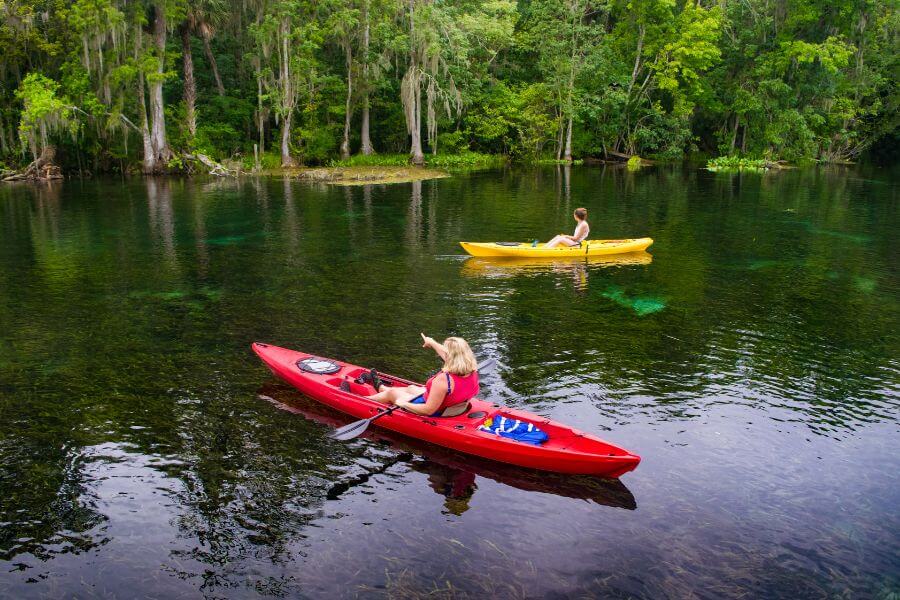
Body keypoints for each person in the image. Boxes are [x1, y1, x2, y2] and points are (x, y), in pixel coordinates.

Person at [367, 334, 480, 416]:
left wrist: (403, 403)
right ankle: (382, 388)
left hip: (435, 410)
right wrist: (431, 342)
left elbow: (428, 410)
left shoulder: (443, 381)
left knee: (392, 393)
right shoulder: (472, 369)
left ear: (451, 356)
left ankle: (363, 399)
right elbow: (448, 354)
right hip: (450, 405)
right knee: (411, 388)